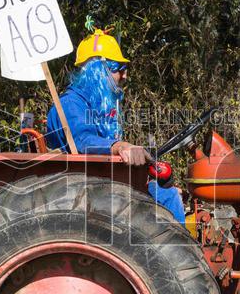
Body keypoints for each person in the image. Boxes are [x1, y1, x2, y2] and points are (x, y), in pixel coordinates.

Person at [45, 27, 186, 224]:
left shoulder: (94, 106)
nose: (125, 75)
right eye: (119, 68)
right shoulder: (70, 104)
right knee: (166, 196)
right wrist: (120, 146)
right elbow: (83, 140)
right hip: (82, 188)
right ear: (98, 71)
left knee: (166, 193)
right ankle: (180, 251)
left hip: (99, 181)